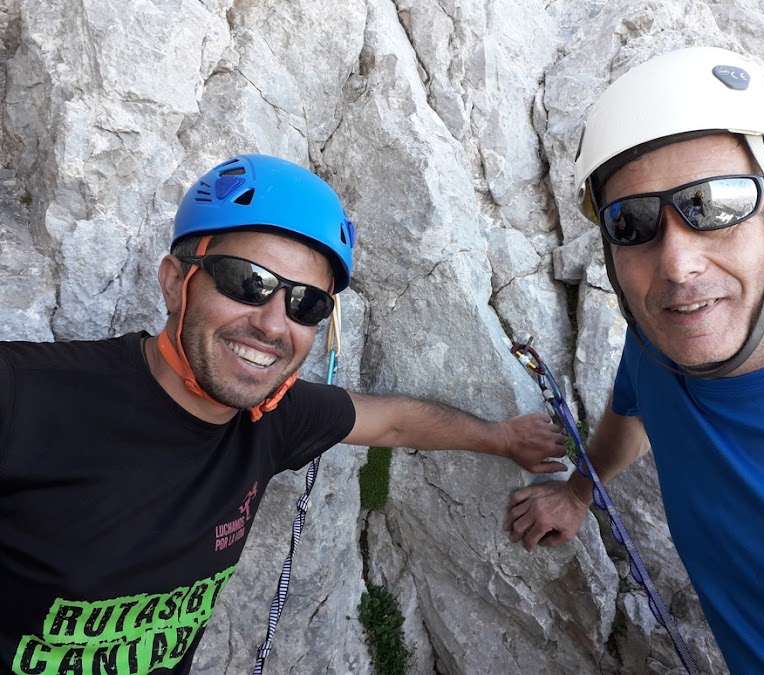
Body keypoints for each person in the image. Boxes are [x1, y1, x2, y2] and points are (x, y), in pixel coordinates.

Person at [0, 153, 566, 674]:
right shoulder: (27, 398)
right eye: (247, 282)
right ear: (175, 282)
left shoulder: (272, 419)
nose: (273, 325)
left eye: (306, 303)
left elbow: (394, 420)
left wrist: (502, 439)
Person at [505, 46, 764, 673]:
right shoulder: (661, 340)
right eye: (631, 223)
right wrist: (580, 492)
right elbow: (633, 410)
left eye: (714, 206)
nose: (677, 265)